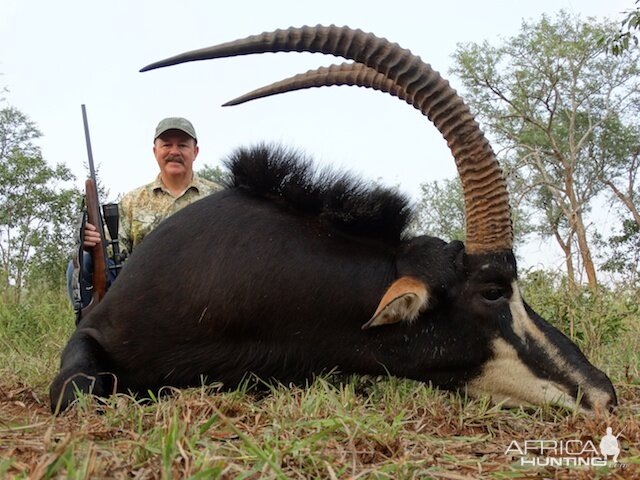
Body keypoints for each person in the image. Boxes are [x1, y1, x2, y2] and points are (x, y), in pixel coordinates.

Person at [68, 117, 224, 310]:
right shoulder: (132, 201)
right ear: (155, 151)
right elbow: (112, 256)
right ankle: (89, 329)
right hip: (144, 298)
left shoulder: (220, 198)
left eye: (182, 145)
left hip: (204, 294)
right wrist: (91, 243)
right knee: (82, 262)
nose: (174, 152)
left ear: (195, 152)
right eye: (167, 145)